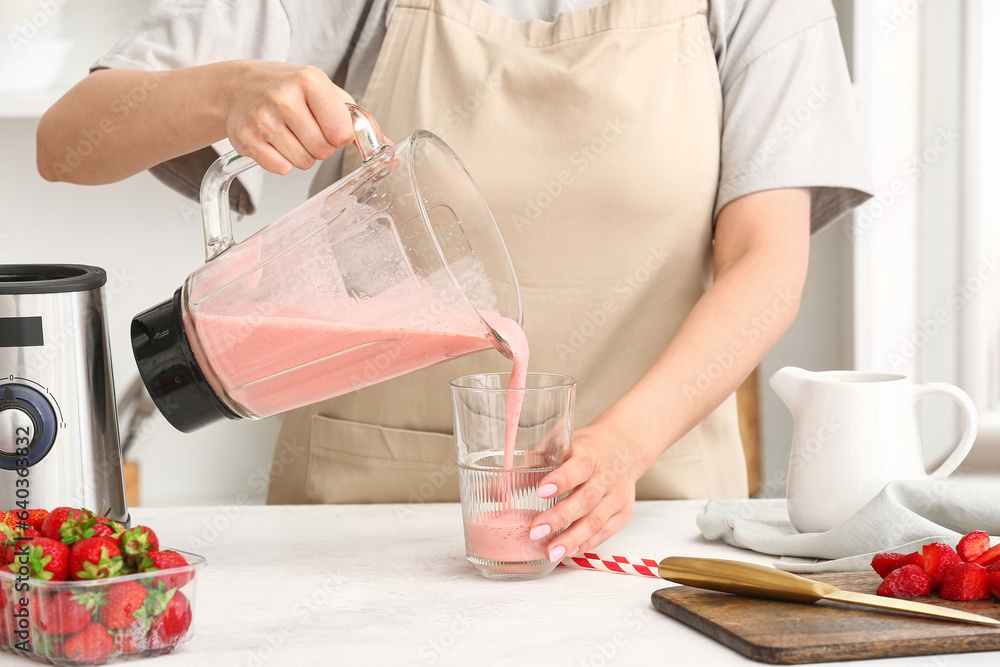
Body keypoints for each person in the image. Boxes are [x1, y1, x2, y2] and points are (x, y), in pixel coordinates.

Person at [37, 0, 873, 563]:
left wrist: (623, 447)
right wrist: (229, 92)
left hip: (647, 521)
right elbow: (68, 143)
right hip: (359, 533)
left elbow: (767, 265)